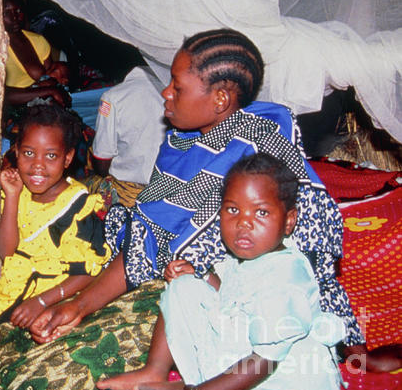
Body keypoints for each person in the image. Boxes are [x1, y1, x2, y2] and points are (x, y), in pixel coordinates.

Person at [29, 29, 364, 356]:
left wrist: (350, 344)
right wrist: (79, 306)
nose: (165, 93)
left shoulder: (260, 149)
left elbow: (311, 255)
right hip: (182, 283)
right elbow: (146, 240)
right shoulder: (180, 145)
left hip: (252, 306)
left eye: (177, 86)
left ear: (220, 99)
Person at [93, 153, 344, 390]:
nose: (244, 223)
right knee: (184, 287)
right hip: (238, 362)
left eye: (261, 212)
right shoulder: (240, 258)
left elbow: (266, 360)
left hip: (286, 383)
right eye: (233, 209)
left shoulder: (287, 277)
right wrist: (202, 276)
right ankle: (155, 371)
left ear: (289, 221)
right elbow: (231, 298)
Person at [0, 104, 113, 390]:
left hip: (59, 297)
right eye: (28, 153)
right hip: (16, 292)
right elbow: (7, 251)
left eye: (51, 156)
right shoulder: (17, 192)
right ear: (15, 152)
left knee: (28, 380)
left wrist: (42, 301)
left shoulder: (80, 206)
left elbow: (91, 271)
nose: (37, 165)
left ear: (68, 158)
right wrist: (14, 197)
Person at [91, 65, 168, 207]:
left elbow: (102, 160)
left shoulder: (113, 97)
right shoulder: (172, 92)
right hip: (165, 189)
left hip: (128, 191)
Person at [2, 0, 70, 108]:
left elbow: (51, 79)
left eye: (18, 10)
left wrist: (55, 89)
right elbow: (0, 95)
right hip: (8, 110)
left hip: (38, 105)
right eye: (6, 12)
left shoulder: (38, 41)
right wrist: (49, 91)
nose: (14, 17)